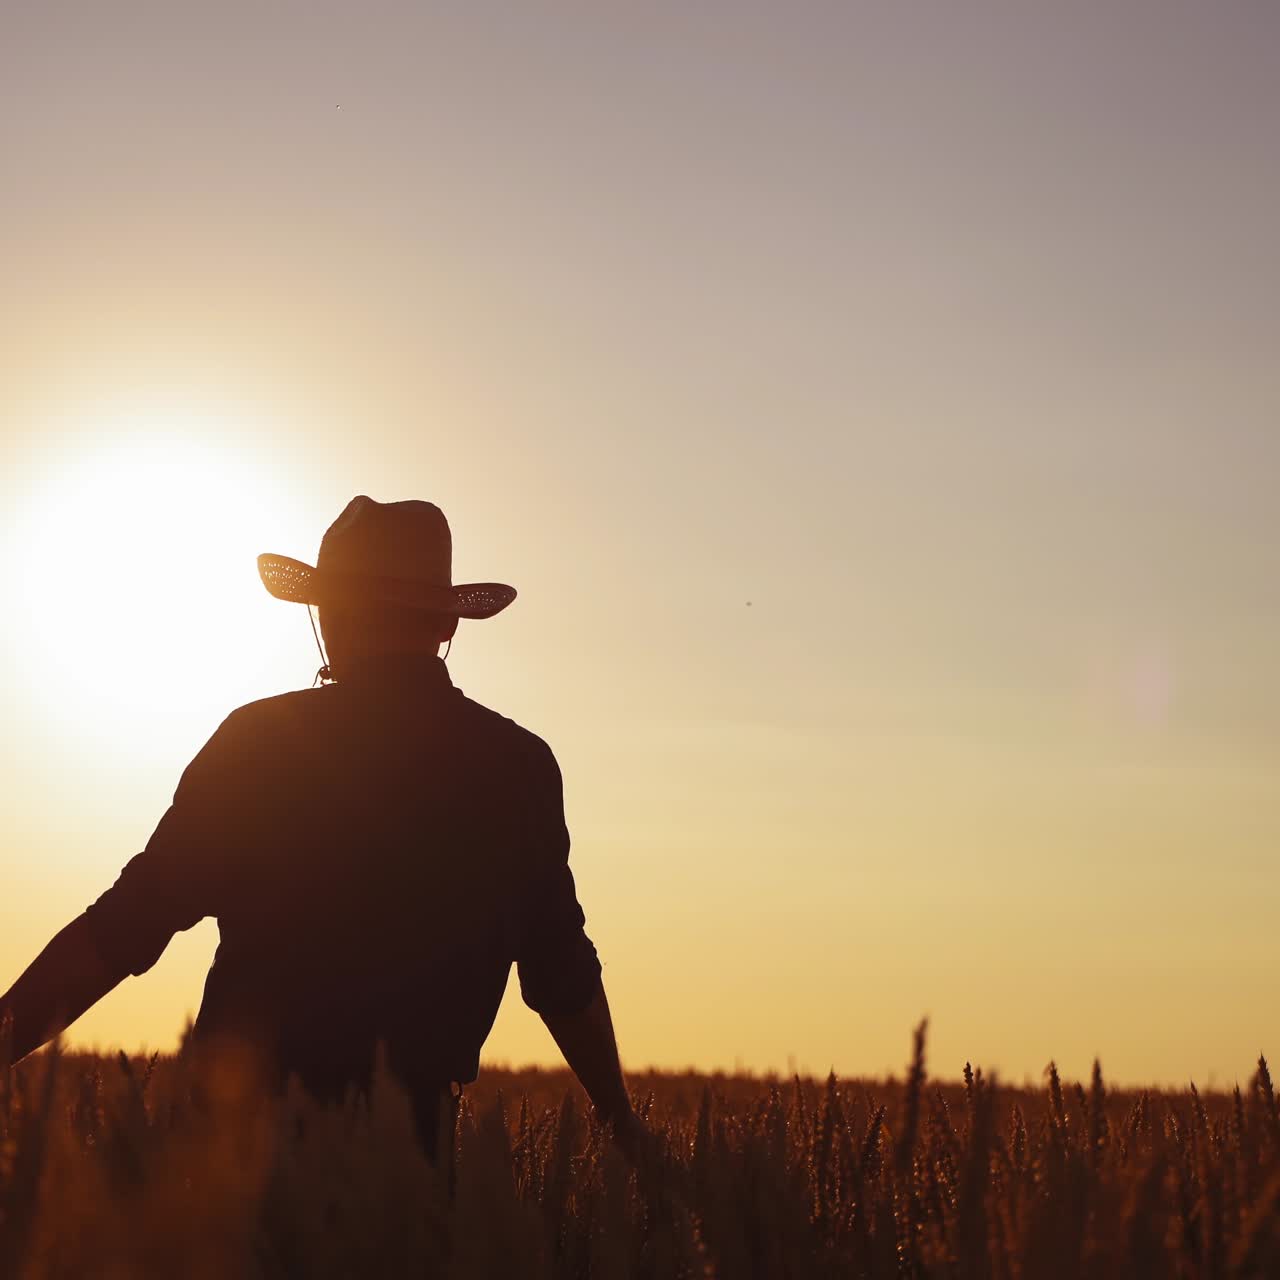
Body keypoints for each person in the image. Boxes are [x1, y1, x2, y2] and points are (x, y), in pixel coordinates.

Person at [1, 496, 641, 1158]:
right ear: (445, 627)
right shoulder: (519, 768)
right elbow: (562, 977)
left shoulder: (261, 743)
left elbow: (126, 926)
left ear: (332, 618)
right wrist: (620, 1120)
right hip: (414, 1173)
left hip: (235, 1167)